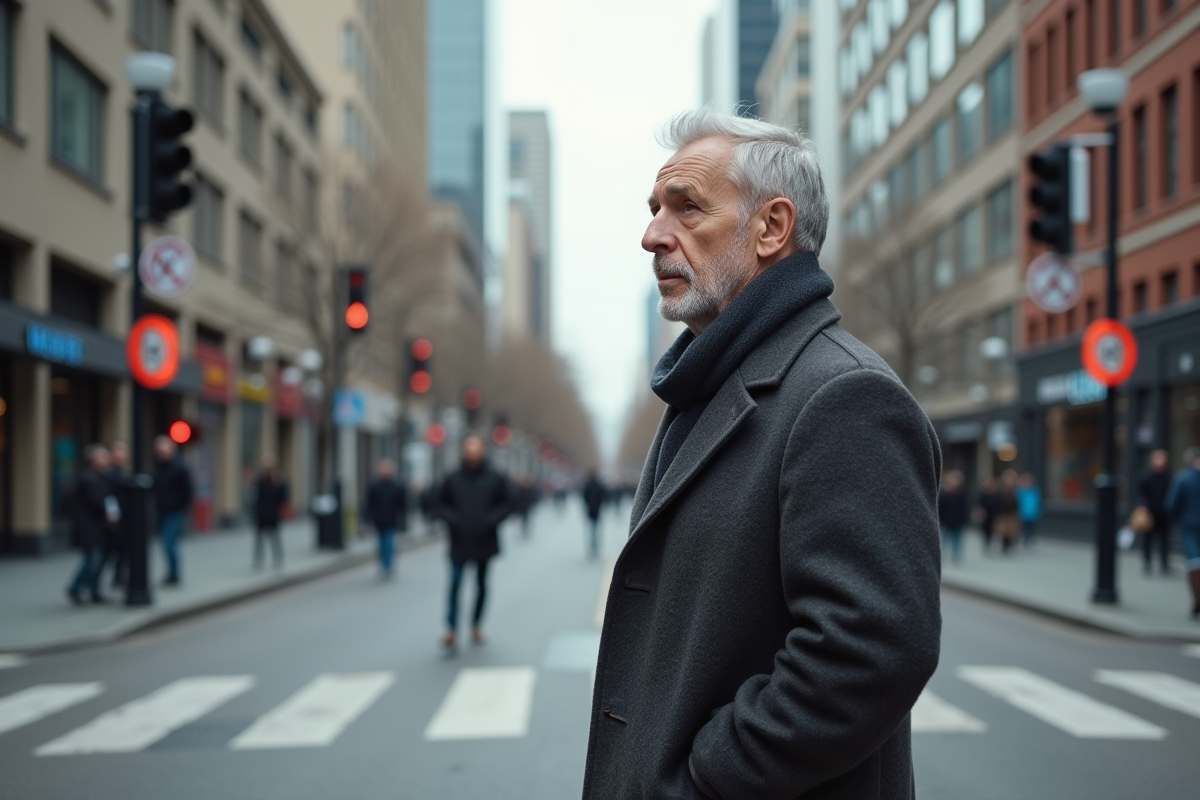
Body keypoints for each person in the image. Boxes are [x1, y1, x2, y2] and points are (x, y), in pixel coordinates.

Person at [584, 110, 941, 800]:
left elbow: (868, 654)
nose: (653, 234)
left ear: (772, 228)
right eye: (655, 209)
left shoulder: (842, 395)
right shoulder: (709, 384)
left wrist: (703, 778)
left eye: (687, 208)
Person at [435, 435, 511, 649]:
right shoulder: (453, 478)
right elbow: (440, 504)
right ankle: (451, 629)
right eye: (469, 449)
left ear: (483, 451)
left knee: (481, 585)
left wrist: (490, 520)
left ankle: (476, 624)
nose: (473, 453)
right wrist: (454, 520)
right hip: (459, 540)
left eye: (476, 449)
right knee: (455, 584)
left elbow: (507, 503)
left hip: (484, 541)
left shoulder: (495, 477)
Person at [68, 445, 116, 605]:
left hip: (97, 527)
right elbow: (98, 502)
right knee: (92, 559)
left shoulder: (100, 476)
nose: (106, 460)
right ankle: (76, 587)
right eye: (103, 457)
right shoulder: (88, 478)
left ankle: (95, 592)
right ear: (92, 460)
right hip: (89, 527)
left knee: (97, 559)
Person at [153, 436, 193, 586]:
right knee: (165, 543)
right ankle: (171, 572)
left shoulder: (179, 468)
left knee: (170, 543)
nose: (161, 453)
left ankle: (174, 573)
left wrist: (181, 507)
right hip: (161, 511)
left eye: (163, 450)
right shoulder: (158, 467)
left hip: (175, 512)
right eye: (159, 450)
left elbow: (188, 491)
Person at [1166, 446, 1200, 618]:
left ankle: (1197, 600)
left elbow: (1171, 504)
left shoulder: (1182, 478)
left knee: (1194, 562)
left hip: (1189, 526)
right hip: (1190, 525)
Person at [363, 458, 408, 579]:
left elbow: (402, 506)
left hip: (392, 520)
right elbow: (369, 504)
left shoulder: (397, 486)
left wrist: (403, 522)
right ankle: (383, 563)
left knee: (389, 544)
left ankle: (387, 565)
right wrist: (367, 520)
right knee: (381, 544)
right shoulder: (374, 486)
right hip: (378, 520)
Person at [100, 440, 132, 588]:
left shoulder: (121, 472)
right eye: (120, 451)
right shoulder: (109, 474)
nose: (124, 455)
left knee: (122, 551)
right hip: (113, 519)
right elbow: (108, 496)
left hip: (123, 518)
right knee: (108, 553)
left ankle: (119, 577)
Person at [1138, 449, 1173, 575]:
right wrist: (1143, 507)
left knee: (1164, 540)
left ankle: (1164, 563)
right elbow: (1141, 494)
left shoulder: (1167, 477)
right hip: (1149, 513)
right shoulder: (1146, 476)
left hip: (1163, 514)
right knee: (1148, 539)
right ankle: (1147, 561)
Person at [252, 453, 289, 570]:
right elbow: (255, 497)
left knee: (275, 539)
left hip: (273, 514)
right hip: (261, 515)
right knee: (259, 540)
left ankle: (278, 560)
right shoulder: (260, 480)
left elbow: (284, 498)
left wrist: (278, 484)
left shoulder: (279, 480)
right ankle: (258, 561)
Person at [938, 470, 969, 563]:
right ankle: (941, 554)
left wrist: (964, 519)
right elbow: (941, 507)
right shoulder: (944, 494)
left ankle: (956, 555)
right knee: (944, 538)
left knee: (957, 539)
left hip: (957, 520)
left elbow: (964, 508)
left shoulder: (961, 494)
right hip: (946, 520)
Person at [993, 469, 1021, 554]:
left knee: (1012, 531)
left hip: (1012, 514)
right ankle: (1005, 545)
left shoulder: (1016, 491)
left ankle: (1009, 544)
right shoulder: (1000, 490)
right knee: (1003, 531)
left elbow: (1018, 503)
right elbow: (996, 502)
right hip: (1002, 514)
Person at [581, 471, 606, 559]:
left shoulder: (587, 485)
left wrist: (588, 505)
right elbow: (603, 496)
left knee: (591, 527)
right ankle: (595, 544)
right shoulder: (599, 485)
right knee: (596, 527)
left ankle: (592, 544)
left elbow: (584, 497)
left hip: (590, 509)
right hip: (597, 509)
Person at [1016, 472, 1042, 548]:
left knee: (1031, 527)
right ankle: (1026, 539)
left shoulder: (1035, 491)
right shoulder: (1020, 491)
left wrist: (1038, 510)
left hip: (1032, 513)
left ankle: (1030, 538)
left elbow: (1038, 502)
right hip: (1023, 513)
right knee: (1024, 527)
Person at [976, 476, 1000, 553]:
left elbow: (998, 504)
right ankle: (986, 544)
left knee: (993, 531)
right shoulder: (982, 493)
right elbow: (979, 504)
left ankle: (991, 545)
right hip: (985, 516)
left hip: (994, 515)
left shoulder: (996, 494)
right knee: (985, 531)